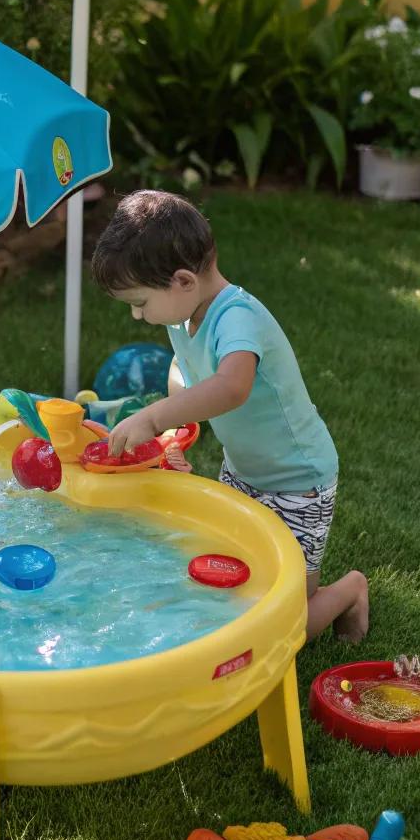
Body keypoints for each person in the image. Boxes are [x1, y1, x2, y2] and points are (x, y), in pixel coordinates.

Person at [91, 190, 367, 642]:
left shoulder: (237, 318)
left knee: (286, 615)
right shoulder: (181, 315)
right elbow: (187, 369)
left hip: (299, 479)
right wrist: (177, 427)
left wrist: (156, 418)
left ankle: (350, 591)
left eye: (140, 302)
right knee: (233, 579)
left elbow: (231, 386)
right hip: (242, 471)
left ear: (183, 281)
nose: (138, 316)